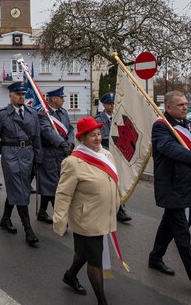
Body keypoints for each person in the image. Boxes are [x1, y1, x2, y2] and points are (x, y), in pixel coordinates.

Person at [148, 91, 191, 293]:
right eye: (180, 105)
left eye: (186, 104)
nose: (185, 107)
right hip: (172, 187)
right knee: (182, 235)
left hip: (190, 185)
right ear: (168, 107)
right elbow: (168, 147)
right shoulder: (161, 126)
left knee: (167, 226)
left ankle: (155, 257)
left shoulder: (189, 124)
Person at [53, 117, 119, 304]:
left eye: (99, 134)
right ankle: (102, 301)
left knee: (84, 252)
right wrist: (59, 220)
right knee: (95, 260)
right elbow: (63, 194)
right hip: (86, 219)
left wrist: (117, 203)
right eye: (92, 136)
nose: (98, 138)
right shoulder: (72, 162)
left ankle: (70, 275)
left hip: (105, 215)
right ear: (82, 139)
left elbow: (112, 182)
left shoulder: (106, 155)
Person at [0, 81, 42, 245]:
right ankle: (28, 229)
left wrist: (39, 156)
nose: (21, 97)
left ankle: (5, 218)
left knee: (18, 190)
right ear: (10, 95)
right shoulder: (2, 114)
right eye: (18, 94)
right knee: (20, 191)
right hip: (11, 156)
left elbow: (37, 136)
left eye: (23, 94)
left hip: (28, 155)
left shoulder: (32, 113)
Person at [37, 86, 74, 224]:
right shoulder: (43, 114)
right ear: (54, 99)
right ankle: (61, 218)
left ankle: (42, 212)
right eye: (61, 97)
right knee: (54, 185)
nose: (63, 100)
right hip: (49, 153)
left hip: (62, 153)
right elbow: (47, 132)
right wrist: (62, 143)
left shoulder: (63, 113)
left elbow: (70, 129)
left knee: (53, 184)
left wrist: (69, 143)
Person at [95, 92, 132, 223]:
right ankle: (105, 208)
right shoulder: (98, 120)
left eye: (113, 103)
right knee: (105, 183)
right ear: (104, 105)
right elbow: (97, 139)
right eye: (109, 104)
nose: (112, 106)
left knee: (118, 182)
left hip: (119, 153)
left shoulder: (120, 118)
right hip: (104, 153)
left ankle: (119, 209)